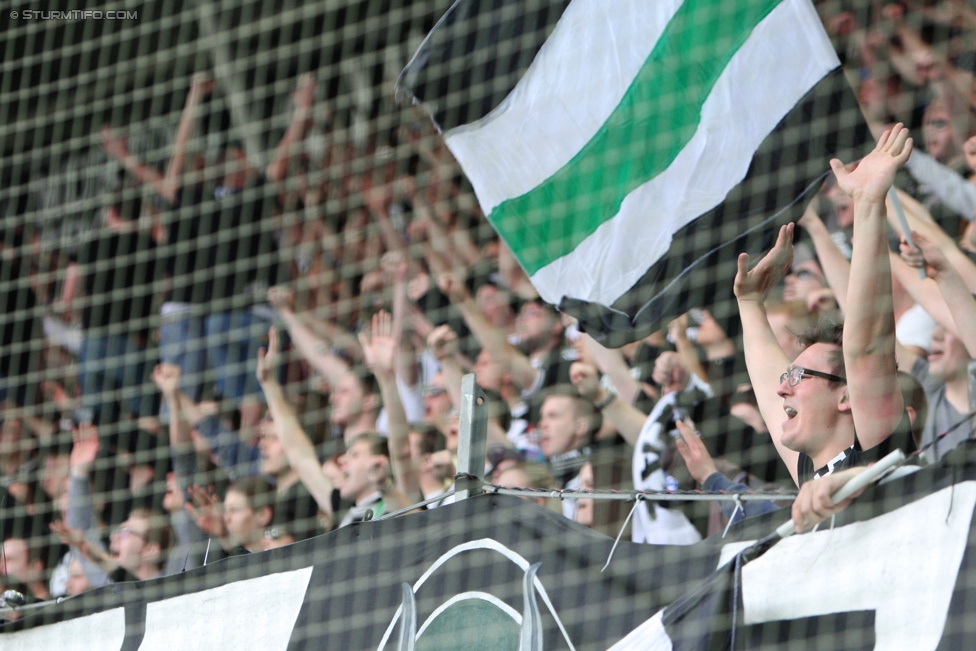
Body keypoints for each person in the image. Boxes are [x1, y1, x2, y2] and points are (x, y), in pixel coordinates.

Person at [734, 124, 914, 487]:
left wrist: (867, 204)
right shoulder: (809, 471)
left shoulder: (876, 454)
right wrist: (750, 303)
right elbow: (768, 383)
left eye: (798, 377)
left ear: (847, 395)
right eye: (789, 377)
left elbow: (866, 349)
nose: (783, 389)